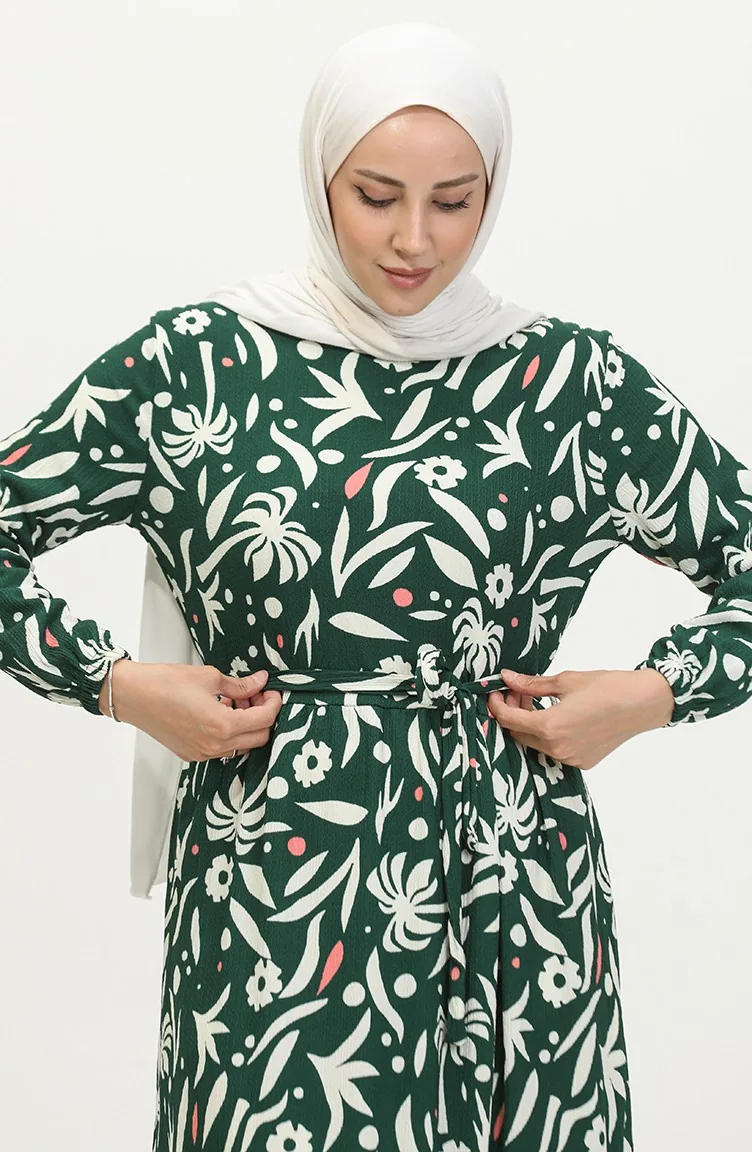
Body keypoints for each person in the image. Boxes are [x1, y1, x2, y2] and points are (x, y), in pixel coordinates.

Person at [1, 19, 750, 1152]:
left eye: (453, 201)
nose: (413, 239)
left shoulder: (568, 386)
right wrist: (116, 685)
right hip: (276, 898)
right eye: (375, 196)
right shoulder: (196, 367)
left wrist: (650, 696)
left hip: (514, 890)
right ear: (319, 179)